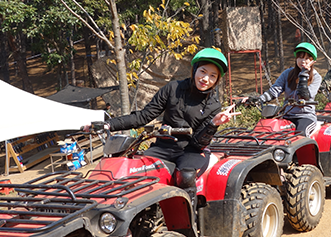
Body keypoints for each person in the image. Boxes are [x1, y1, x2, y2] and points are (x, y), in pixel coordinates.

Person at [94, 47, 239, 177]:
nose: (206, 79)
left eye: (213, 76)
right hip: (163, 147)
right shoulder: (172, 88)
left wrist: (213, 124)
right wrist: (108, 124)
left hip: (189, 151)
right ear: (195, 70)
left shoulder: (214, 106)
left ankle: (192, 206)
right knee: (134, 169)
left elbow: (197, 144)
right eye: (203, 71)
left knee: (186, 177)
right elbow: (143, 117)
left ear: (217, 80)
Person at [248, 42, 322, 137]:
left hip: (305, 117)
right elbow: (274, 90)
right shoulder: (287, 73)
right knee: (268, 132)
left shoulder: (316, 77)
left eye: (307, 58)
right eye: (300, 57)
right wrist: (259, 99)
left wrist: (304, 74)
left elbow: (305, 96)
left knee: (300, 137)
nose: (303, 61)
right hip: (287, 115)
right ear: (296, 59)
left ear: (313, 61)